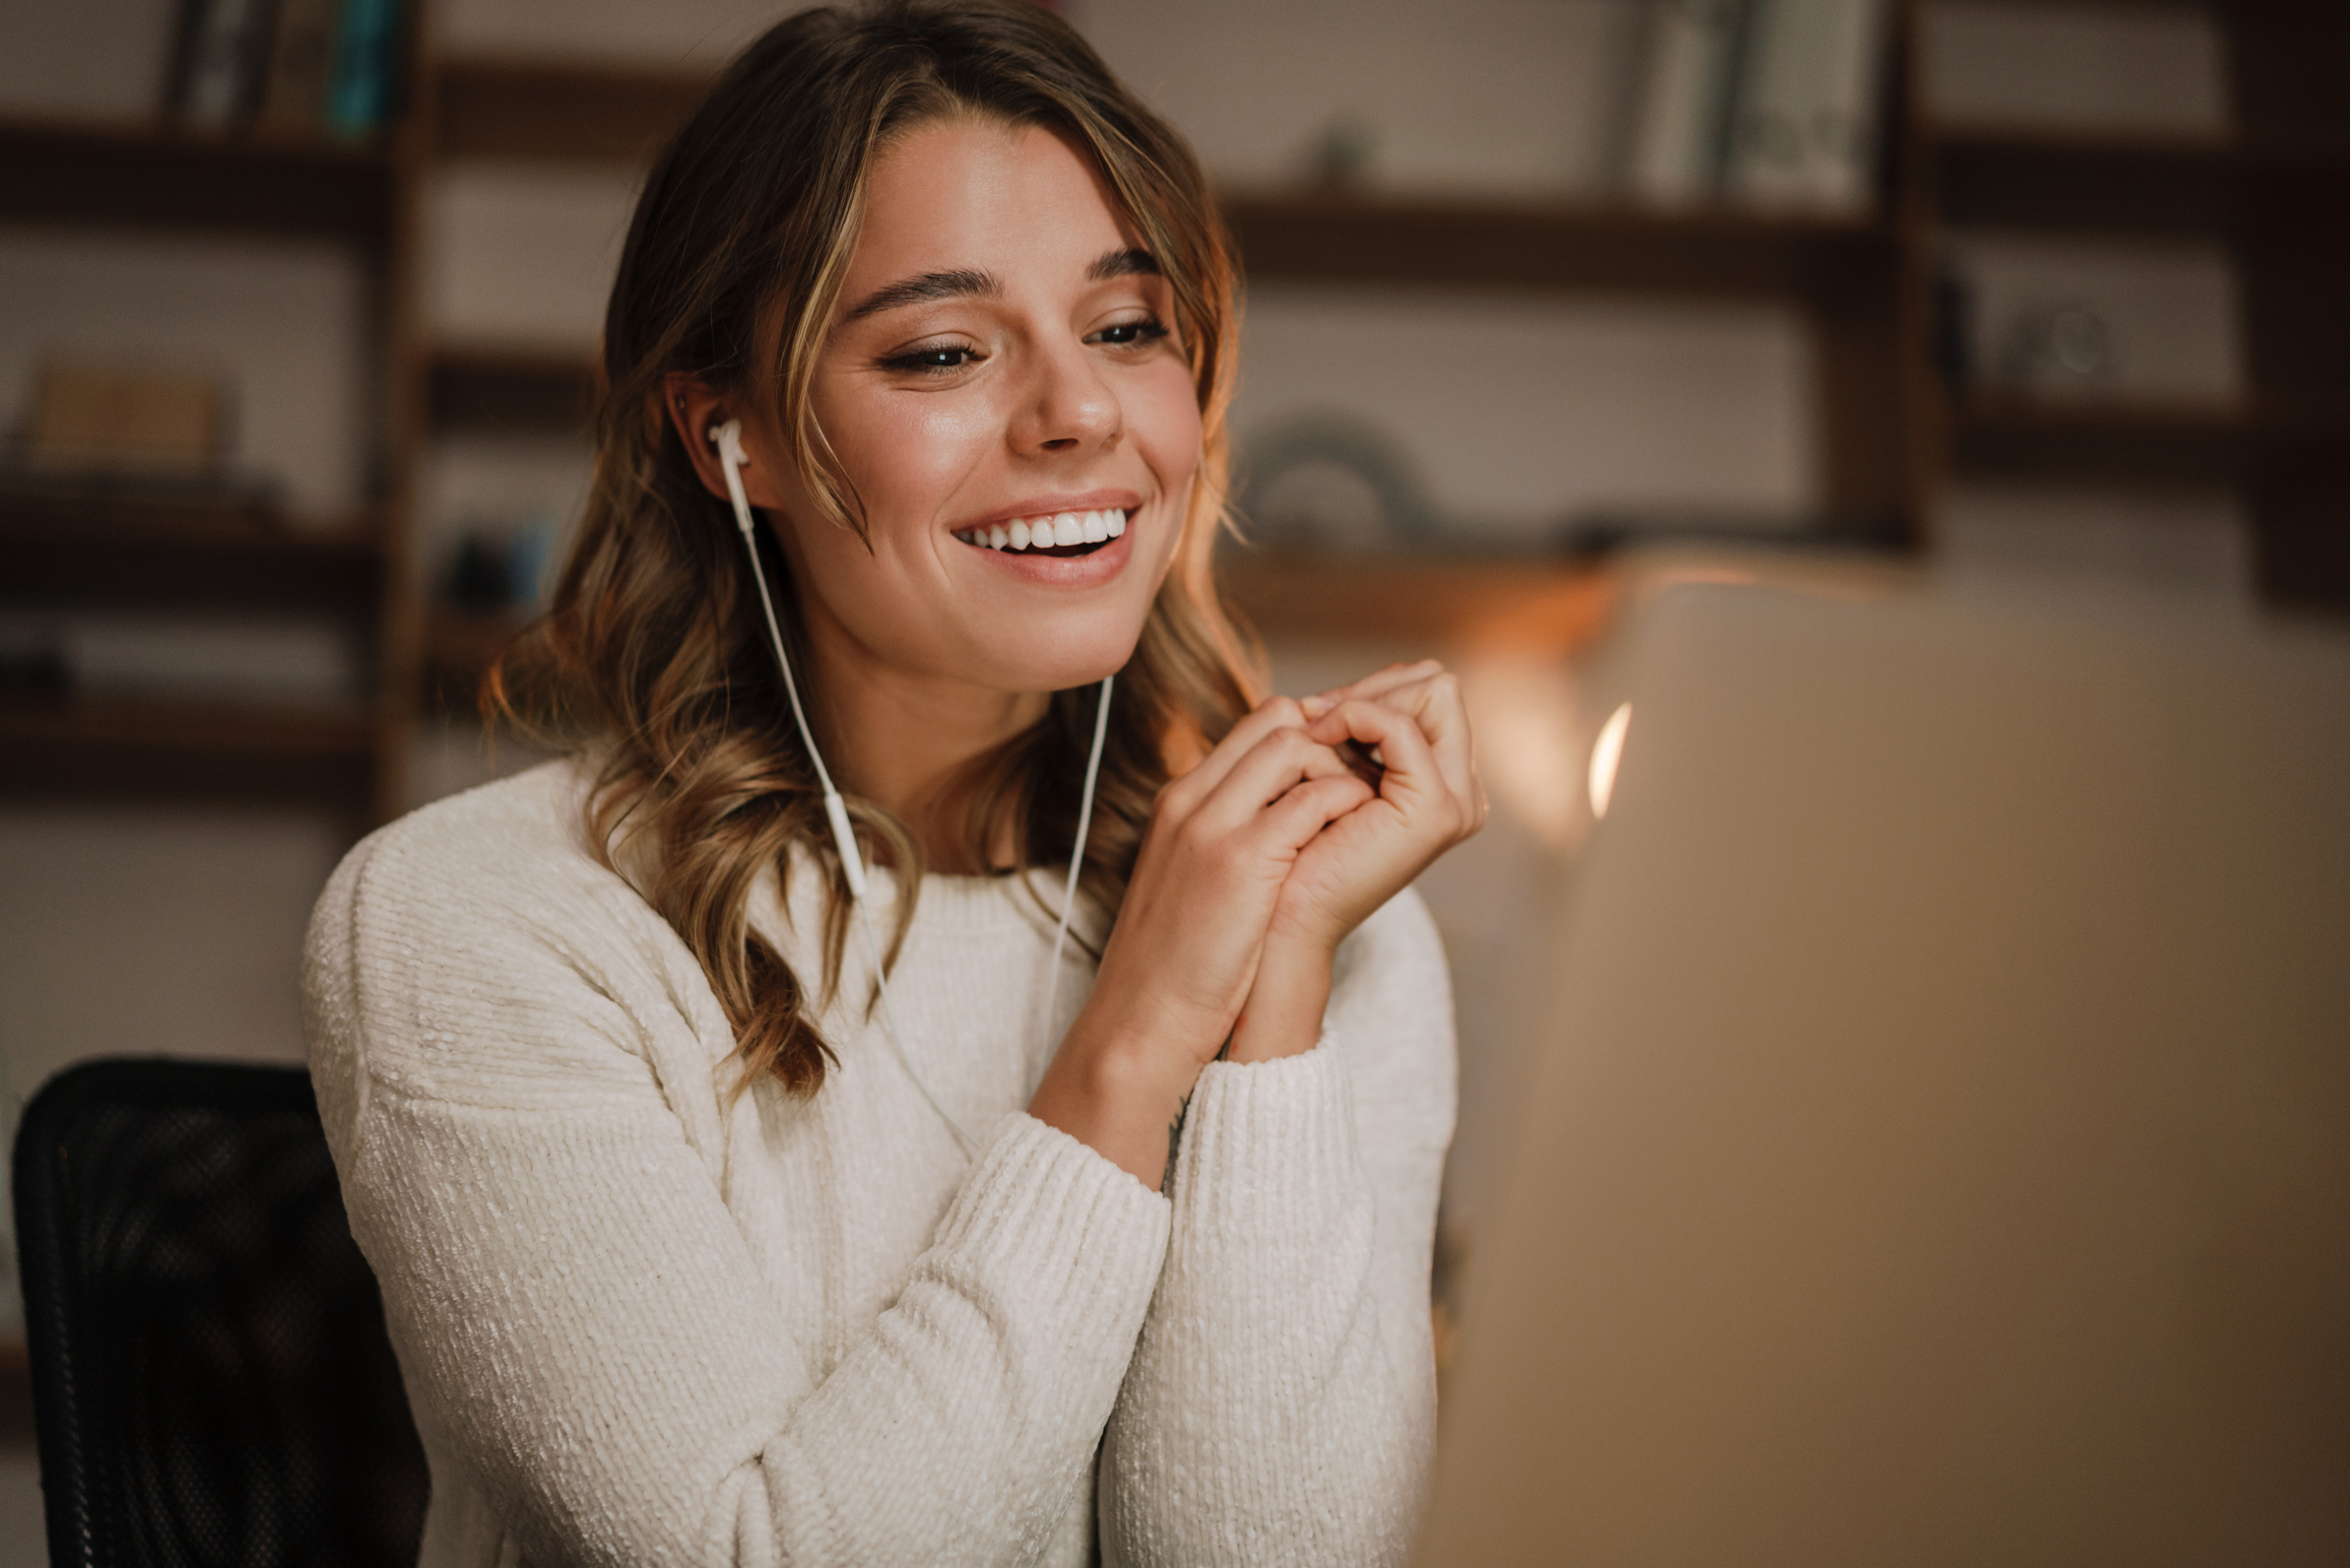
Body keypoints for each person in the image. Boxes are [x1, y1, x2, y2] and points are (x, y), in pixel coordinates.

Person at [303, 3, 1484, 1562]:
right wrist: (1133, 1039)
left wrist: (1268, 1017)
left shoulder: (1336, 928)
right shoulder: (478, 927)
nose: (1077, 414)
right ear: (731, 437)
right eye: (939, 350)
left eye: (1126, 328)